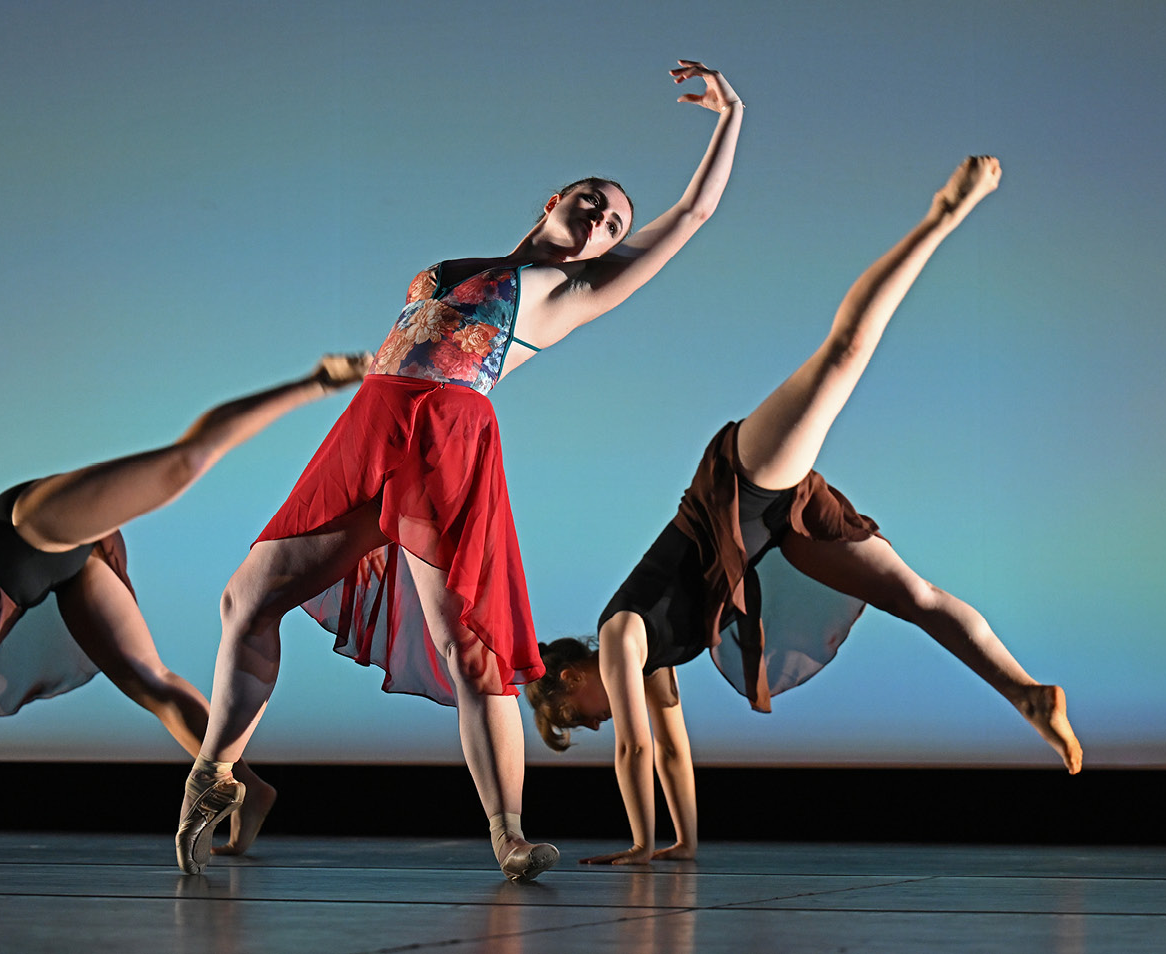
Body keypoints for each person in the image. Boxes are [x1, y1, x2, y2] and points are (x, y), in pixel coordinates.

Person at [175, 60, 745, 882]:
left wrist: (729, 115)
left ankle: (509, 834)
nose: (604, 220)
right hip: (373, 420)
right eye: (594, 200)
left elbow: (693, 212)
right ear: (555, 198)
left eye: (617, 222)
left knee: (470, 646)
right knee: (246, 598)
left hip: (448, 435)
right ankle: (216, 778)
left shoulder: (568, 290)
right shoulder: (468, 263)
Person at [524, 157, 1083, 866]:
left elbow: (636, 747)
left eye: (583, 718)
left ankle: (944, 212)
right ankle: (1027, 694)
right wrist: (679, 845)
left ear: (573, 680)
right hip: (771, 534)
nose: (601, 722)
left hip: (735, 487)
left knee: (843, 354)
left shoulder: (620, 635)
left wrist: (637, 845)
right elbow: (670, 748)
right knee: (912, 596)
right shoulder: (647, 662)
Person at [0, 354, 369, 855]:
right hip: (60, 569)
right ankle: (244, 783)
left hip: (16, 529)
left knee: (183, 463)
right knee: (150, 681)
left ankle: (315, 382)